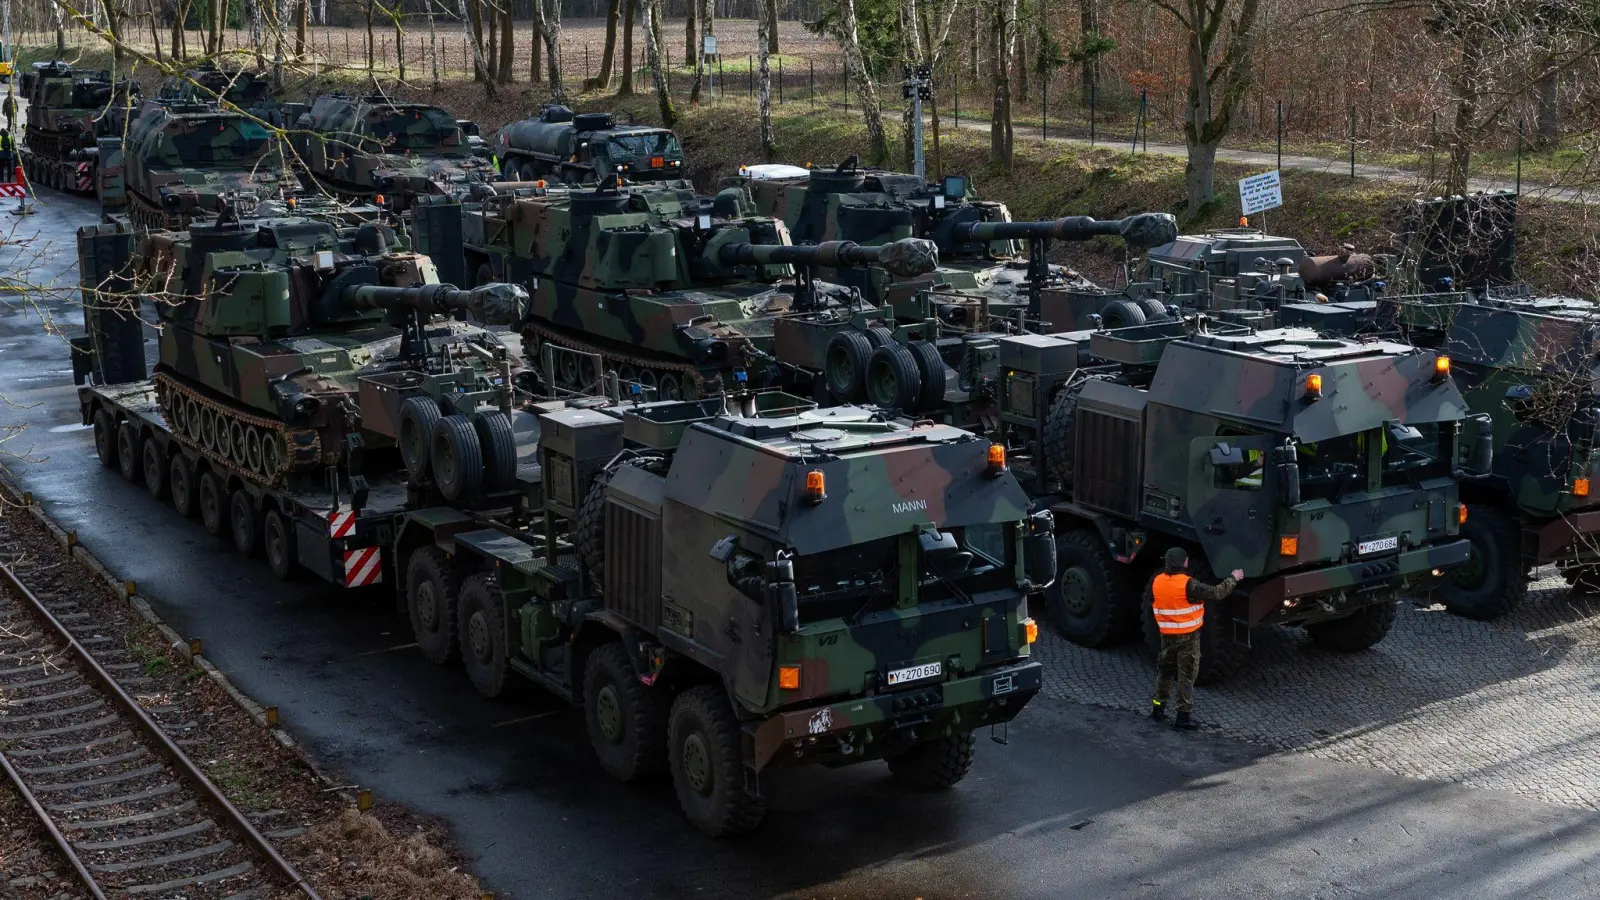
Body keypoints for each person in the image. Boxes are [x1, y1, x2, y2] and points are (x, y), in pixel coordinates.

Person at [1149, 547, 1242, 731]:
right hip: (1187, 639)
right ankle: (1183, 718)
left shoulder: (1157, 581)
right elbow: (1216, 593)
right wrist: (1233, 578)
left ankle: (1157, 709)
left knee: (1165, 672)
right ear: (1184, 563)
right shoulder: (1188, 584)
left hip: (1166, 636)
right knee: (1186, 676)